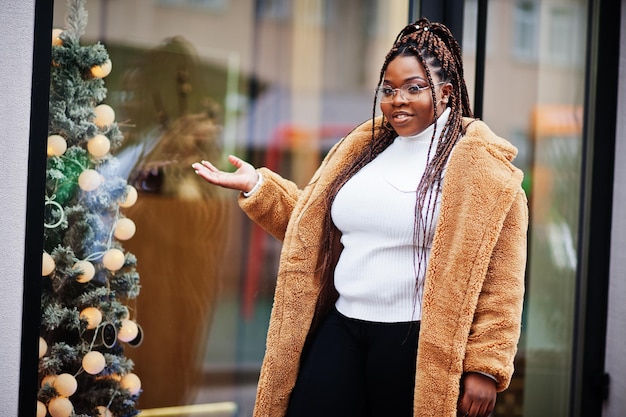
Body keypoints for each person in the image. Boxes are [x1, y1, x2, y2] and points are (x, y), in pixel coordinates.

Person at [192, 17, 527, 417]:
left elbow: (502, 280)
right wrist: (257, 187)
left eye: (413, 88)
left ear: (446, 92)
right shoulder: (362, 151)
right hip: (344, 325)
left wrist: (486, 367)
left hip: (416, 341)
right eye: (389, 89)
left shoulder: (484, 171)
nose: (397, 99)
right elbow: (312, 229)